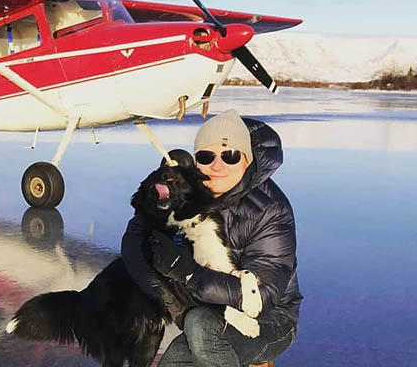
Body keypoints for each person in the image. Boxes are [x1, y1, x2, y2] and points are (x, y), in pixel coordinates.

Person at [121, 109, 303, 366]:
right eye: (206, 157)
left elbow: (263, 296)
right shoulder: (186, 190)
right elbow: (134, 240)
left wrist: (189, 273)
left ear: (247, 159)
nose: (217, 166)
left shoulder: (270, 209)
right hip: (209, 308)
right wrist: (173, 301)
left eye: (230, 156)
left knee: (199, 324)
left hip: (271, 317)